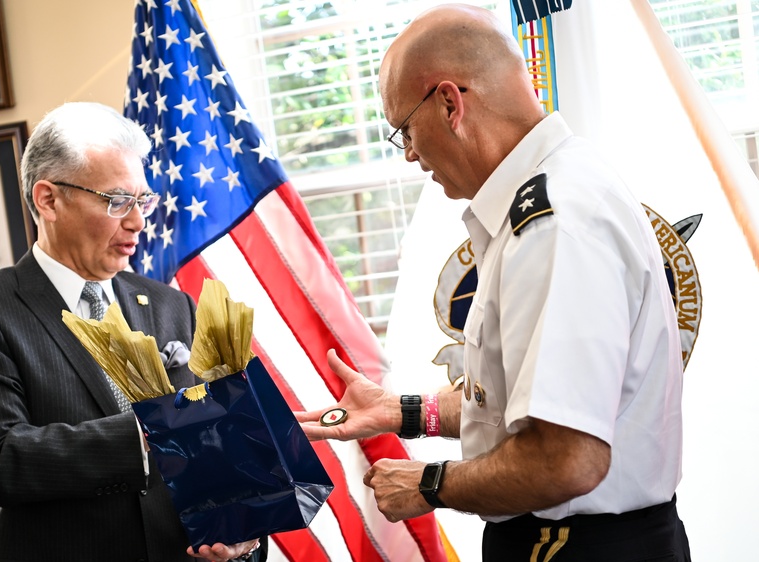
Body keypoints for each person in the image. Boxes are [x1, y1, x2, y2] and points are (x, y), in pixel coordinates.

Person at [296, 5, 691, 561]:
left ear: (450, 103)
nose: (410, 153)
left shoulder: (554, 223)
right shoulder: (549, 194)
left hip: (573, 547)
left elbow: (568, 458)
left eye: (405, 129)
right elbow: (516, 403)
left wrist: (429, 483)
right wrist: (401, 411)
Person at [0, 102, 263, 562]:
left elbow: (214, 457)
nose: (137, 221)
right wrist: (155, 430)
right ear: (48, 199)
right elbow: (2, 460)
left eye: (142, 200)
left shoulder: (173, 306)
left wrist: (237, 536)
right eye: (116, 200)